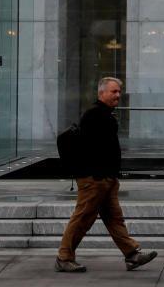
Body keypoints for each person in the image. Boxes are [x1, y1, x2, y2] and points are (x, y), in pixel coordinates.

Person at [55, 77, 158, 274]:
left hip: (106, 179)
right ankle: (64, 257)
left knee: (114, 218)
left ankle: (131, 255)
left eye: (119, 91)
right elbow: (90, 150)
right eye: (113, 92)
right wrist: (98, 176)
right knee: (82, 218)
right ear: (101, 93)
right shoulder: (94, 115)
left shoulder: (105, 115)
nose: (118, 95)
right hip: (94, 179)